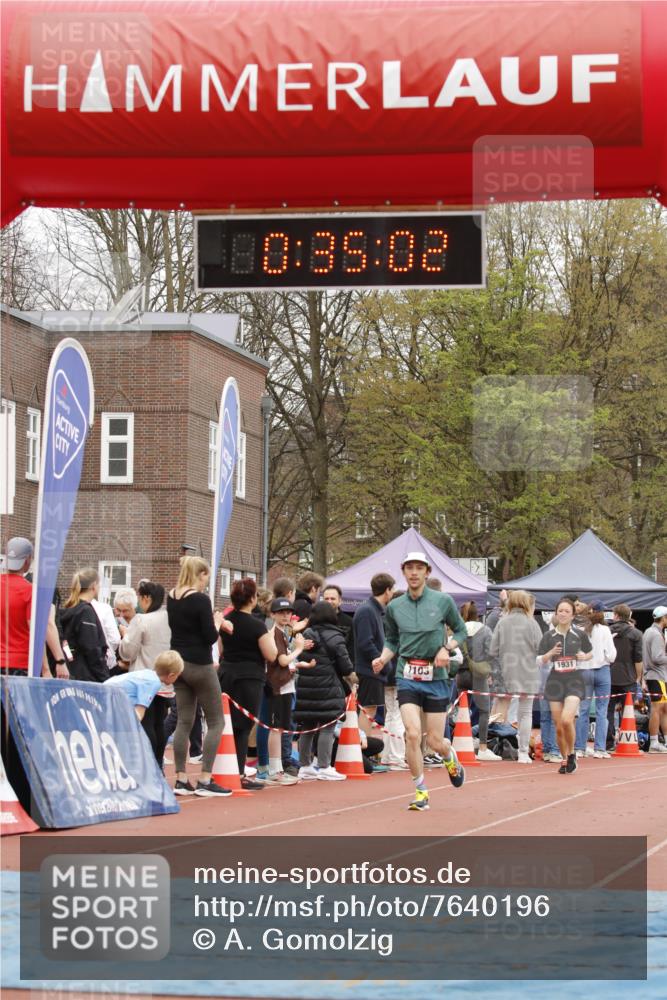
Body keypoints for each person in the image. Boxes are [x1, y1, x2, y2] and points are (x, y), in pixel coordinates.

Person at [371, 552, 466, 811]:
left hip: (435, 677)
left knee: (434, 741)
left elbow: (461, 630)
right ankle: (421, 791)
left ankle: (449, 755)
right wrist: (382, 658)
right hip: (407, 675)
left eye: (419, 568)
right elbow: (392, 640)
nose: (414, 572)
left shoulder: (443, 601)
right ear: (403, 572)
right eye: (409, 568)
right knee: (412, 734)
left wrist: (447, 648)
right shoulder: (394, 607)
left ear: (427, 572)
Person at [167, 556, 231, 796]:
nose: (206, 582)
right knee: (216, 722)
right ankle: (205, 778)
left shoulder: (172, 596)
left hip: (179, 664)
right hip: (200, 665)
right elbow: (210, 637)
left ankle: (181, 778)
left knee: (184, 721)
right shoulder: (201, 599)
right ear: (200, 574)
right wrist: (218, 622)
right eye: (206, 577)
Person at [219, 577, 278, 790]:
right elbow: (271, 655)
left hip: (227, 674)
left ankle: (224, 768)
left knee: (227, 724)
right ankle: (239, 773)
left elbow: (221, 650)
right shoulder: (257, 625)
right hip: (249, 677)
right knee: (243, 726)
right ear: (253, 599)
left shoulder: (226, 621)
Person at [294, 601, 354, 781]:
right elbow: (345, 666)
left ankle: (305, 765)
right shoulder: (335, 636)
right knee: (328, 726)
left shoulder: (305, 635)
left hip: (306, 687)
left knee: (308, 726)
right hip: (328, 686)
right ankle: (324, 766)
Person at [261, 597, 315, 785]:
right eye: (281, 613)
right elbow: (282, 661)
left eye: (288, 612)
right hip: (278, 686)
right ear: (272, 614)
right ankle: (274, 770)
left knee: (280, 728)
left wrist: (300, 664)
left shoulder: (283, 632)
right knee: (276, 728)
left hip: (284, 684)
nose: (285, 616)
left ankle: (277, 769)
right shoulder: (275, 633)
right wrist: (299, 649)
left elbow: (285, 662)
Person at [537, 597, 593, 773]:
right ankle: (564, 757)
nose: (562, 614)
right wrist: (550, 654)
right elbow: (539, 660)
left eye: (566, 611)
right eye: (560, 611)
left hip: (574, 680)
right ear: (556, 613)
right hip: (555, 681)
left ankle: (572, 753)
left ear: (572, 615)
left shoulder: (579, 634)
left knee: (567, 719)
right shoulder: (549, 636)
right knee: (559, 726)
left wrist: (584, 657)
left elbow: (590, 652)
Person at [105, 651, 186, 769]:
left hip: (106, 692)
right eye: (177, 675)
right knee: (146, 732)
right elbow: (139, 712)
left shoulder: (148, 674)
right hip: (107, 697)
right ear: (171, 675)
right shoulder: (153, 682)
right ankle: (149, 765)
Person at [488, 590, 542, 764]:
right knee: (525, 713)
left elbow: (493, 650)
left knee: (500, 709)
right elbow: (540, 648)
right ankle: (523, 751)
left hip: (506, 671)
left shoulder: (502, 622)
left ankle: (497, 745)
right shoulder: (532, 623)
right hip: (528, 671)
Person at [353, 572, 395, 740]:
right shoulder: (367, 611)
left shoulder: (374, 610)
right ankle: (360, 748)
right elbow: (365, 642)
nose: (393, 593)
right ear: (387, 590)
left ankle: (362, 746)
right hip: (370, 669)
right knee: (368, 709)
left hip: (373, 669)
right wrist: (381, 661)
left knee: (371, 709)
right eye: (392, 590)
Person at [574, 601, 616, 758]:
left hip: (584, 670)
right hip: (602, 670)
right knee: (602, 711)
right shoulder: (605, 630)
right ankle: (600, 748)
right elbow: (611, 655)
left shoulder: (579, 629)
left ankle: (580, 747)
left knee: (583, 710)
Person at [460, 600, 499, 761]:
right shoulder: (485, 630)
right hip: (479, 675)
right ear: (479, 614)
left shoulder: (459, 629)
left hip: (461, 674)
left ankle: (459, 742)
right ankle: (482, 747)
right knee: (484, 711)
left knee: (460, 710)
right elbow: (492, 652)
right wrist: (491, 671)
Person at [60, 569, 109, 682]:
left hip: (72, 672)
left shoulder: (68, 610)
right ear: (94, 585)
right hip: (87, 677)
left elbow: (66, 644)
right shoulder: (86, 612)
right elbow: (91, 648)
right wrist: (104, 677)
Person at [607, 604, 644, 751]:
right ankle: (626, 741)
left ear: (615, 615)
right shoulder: (636, 634)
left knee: (607, 711)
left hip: (609, 675)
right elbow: (638, 658)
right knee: (627, 711)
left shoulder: (607, 631)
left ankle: (608, 743)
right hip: (629, 676)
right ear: (629, 616)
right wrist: (638, 677)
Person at [642, 605, 667, 753]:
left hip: (654, 675)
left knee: (662, 709)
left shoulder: (649, 631)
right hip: (657, 675)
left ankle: (659, 741)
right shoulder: (656, 634)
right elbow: (657, 658)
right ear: (663, 618)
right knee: (657, 709)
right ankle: (654, 742)